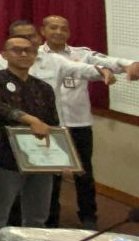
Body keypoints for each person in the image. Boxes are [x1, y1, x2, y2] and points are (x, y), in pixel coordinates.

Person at [37, 15, 139, 229]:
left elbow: (110, 63)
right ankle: (50, 219)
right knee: (51, 174)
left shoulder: (81, 54)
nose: (58, 32)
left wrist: (131, 65)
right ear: (43, 31)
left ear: (69, 32)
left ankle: (88, 217)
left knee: (84, 172)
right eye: (53, 27)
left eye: (63, 28)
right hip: (50, 125)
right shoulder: (34, 56)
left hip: (79, 123)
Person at [0, 36, 62, 241]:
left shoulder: (43, 88)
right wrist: (31, 120)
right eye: (17, 50)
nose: (24, 54)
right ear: (4, 54)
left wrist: (63, 158)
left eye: (29, 50)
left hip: (40, 160)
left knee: (37, 218)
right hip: (6, 158)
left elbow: (53, 124)